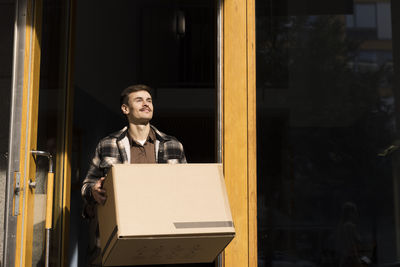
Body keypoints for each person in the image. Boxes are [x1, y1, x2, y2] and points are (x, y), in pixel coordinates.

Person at [81, 84, 187, 266]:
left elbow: (187, 188)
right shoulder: (107, 144)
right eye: (139, 100)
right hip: (121, 235)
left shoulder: (173, 145)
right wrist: (93, 191)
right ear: (125, 109)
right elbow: (87, 184)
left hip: (161, 235)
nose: (146, 104)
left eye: (149, 100)